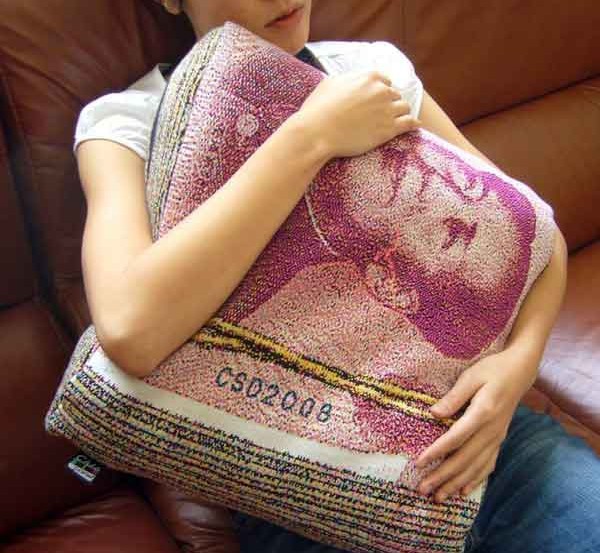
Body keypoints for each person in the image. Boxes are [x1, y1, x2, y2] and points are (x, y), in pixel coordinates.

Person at [72, 1, 600, 552]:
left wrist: (517, 367)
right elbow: (131, 331)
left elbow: (535, 234)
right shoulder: (127, 123)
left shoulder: (370, 71)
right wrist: (310, 137)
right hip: (309, 483)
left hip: (487, 444)